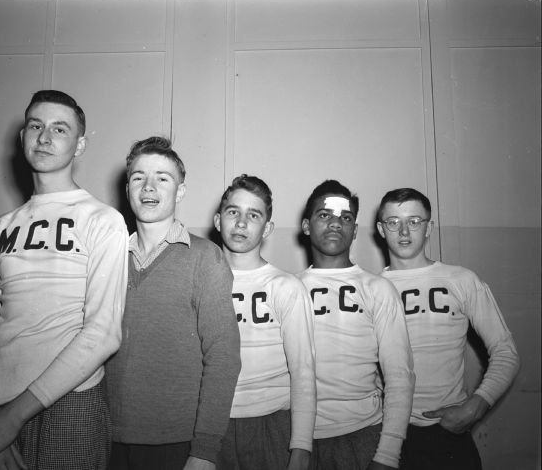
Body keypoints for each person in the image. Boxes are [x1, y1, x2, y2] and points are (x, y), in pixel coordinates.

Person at [0, 89, 129, 470]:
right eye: (36, 125)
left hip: (71, 404)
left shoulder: (102, 220)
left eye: (60, 129)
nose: (45, 137)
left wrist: (11, 418)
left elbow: (103, 333)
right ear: (22, 138)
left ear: (80, 145)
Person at [105, 137, 241, 470]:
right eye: (138, 177)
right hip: (105, 439)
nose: (148, 187)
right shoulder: (106, 256)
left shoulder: (206, 258)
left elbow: (223, 357)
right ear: (127, 189)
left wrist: (205, 449)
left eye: (162, 178)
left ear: (179, 191)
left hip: (177, 445)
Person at [376, 188, 520, 470]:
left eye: (414, 221)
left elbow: (506, 351)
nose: (404, 231)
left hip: (447, 432)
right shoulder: (371, 288)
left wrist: (476, 406)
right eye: (393, 222)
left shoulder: (462, 280)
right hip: (387, 434)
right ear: (382, 229)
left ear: (430, 227)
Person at [298, 180, 415, 470]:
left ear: (354, 230)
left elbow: (400, 376)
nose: (336, 223)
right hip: (297, 440)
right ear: (306, 226)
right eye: (325, 215)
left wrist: (387, 454)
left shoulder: (378, 289)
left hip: (363, 437)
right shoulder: (288, 289)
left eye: (346, 217)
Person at [213, 174, 316, 470]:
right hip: (210, 424)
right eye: (234, 212)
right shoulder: (200, 281)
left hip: (270, 426)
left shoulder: (286, 287)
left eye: (253, 215)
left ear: (267, 228)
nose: (242, 223)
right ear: (218, 220)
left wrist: (301, 447)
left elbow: (304, 371)